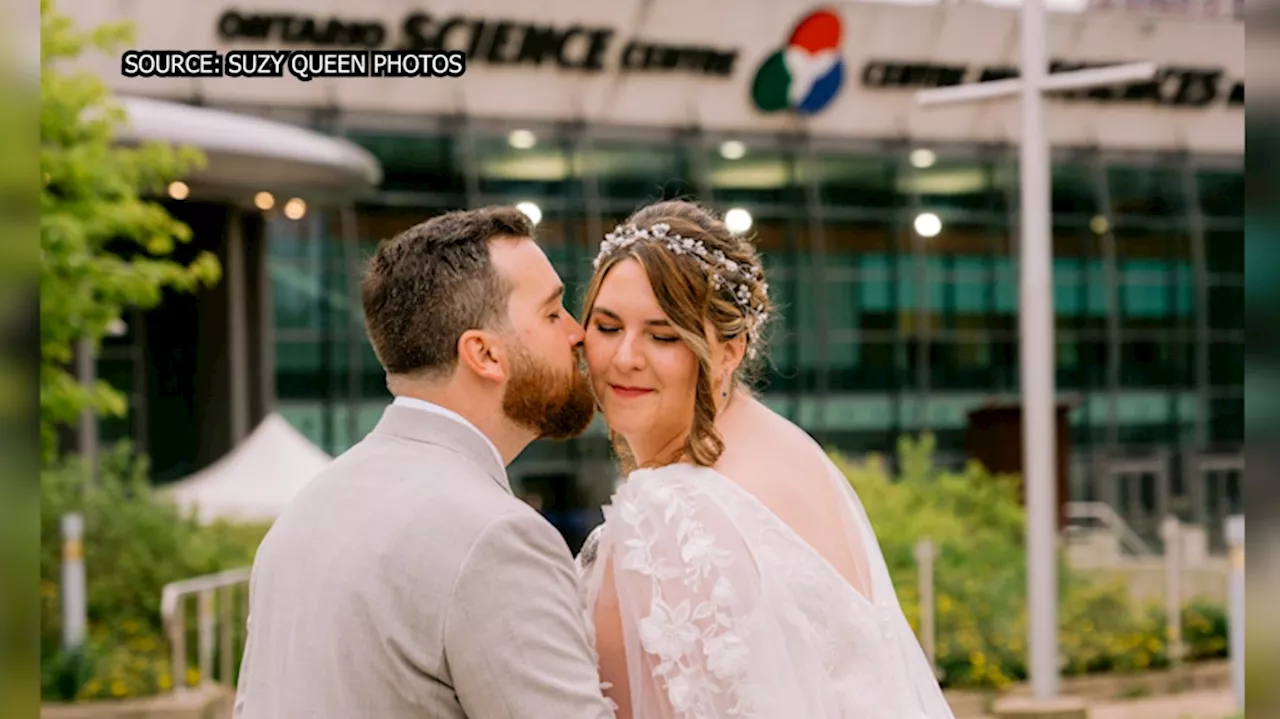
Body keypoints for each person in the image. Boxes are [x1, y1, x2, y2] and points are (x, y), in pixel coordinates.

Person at [574, 201, 955, 718]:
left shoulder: (666, 509)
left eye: (664, 336)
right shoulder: (791, 449)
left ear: (729, 351)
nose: (625, 357)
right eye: (608, 326)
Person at [234, 207, 616, 719]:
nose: (577, 333)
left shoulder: (304, 512)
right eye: (552, 313)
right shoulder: (497, 538)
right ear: (485, 354)